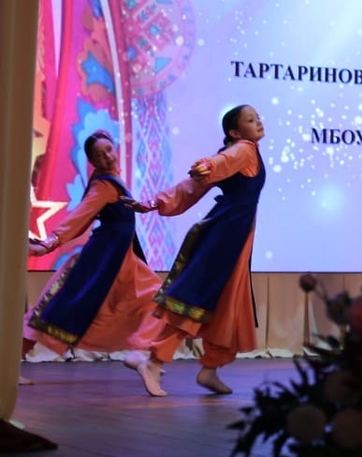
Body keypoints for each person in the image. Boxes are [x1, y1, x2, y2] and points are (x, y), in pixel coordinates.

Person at [22, 130, 179, 396]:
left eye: (109, 150)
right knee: (51, 310)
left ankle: (143, 355)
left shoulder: (114, 181)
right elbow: (80, 217)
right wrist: (49, 243)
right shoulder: (104, 186)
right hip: (102, 259)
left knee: (158, 300)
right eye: (99, 155)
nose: (107, 157)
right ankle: (6, 365)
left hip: (124, 259)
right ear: (93, 161)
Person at [142, 104, 267, 395]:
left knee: (227, 306)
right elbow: (219, 163)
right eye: (250, 119)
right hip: (225, 237)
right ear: (235, 132)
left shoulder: (248, 151)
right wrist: (206, 167)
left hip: (236, 237)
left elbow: (192, 188)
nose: (258, 122)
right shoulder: (244, 149)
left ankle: (210, 368)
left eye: (258, 117)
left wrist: (156, 202)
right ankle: (154, 362)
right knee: (196, 299)